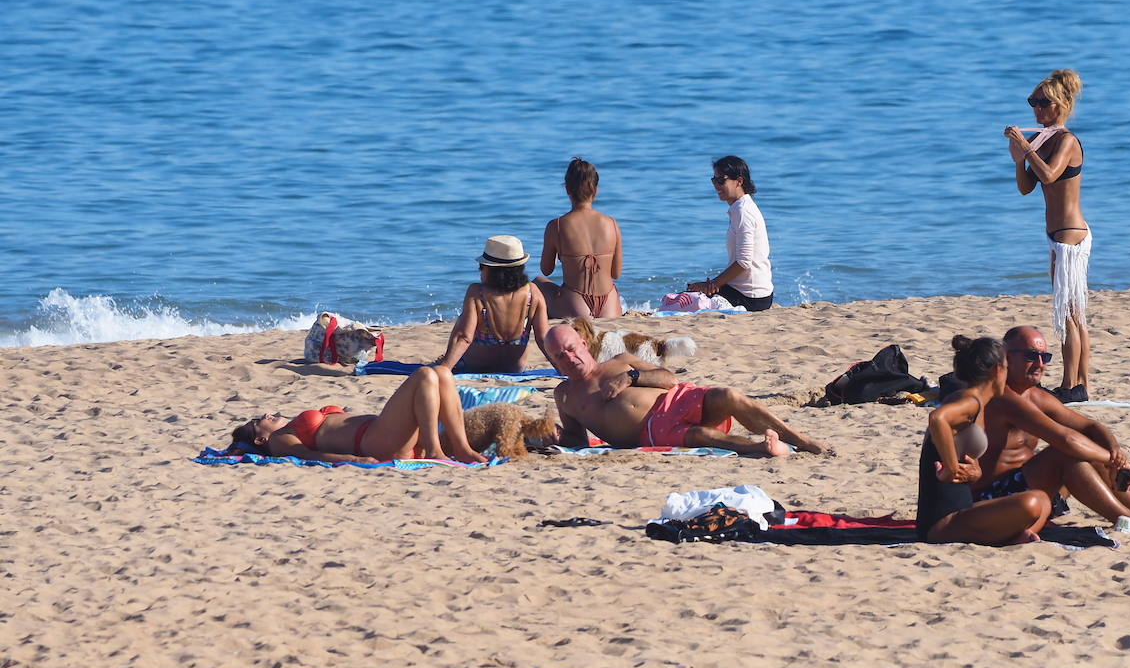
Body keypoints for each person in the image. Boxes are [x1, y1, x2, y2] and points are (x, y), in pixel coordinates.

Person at [979, 326, 1130, 532]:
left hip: (1027, 489)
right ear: (1006, 357)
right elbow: (1066, 440)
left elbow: (1092, 426)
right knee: (1066, 453)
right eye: (1031, 356)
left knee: (1090, 443)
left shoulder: (1036, 396)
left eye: (1045, 357)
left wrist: (1115, 451)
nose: (1040, 364)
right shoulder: (1002, 397)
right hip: (991, 500)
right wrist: (1112, 460)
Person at [543, 324, 827, 457]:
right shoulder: (565, 395)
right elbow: (576, 441)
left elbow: (668, 379)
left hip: (674, 399)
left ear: (582, 342)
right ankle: (760, 448)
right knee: (701, 436)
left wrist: (631, 377)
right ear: (554, 362)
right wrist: (552, 437)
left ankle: (800, 439)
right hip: (650, 431)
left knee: (729, 396)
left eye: (570, 348)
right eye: (559, 356)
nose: (569, 358)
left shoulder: (619, 362)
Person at [1003, 69, 1091, 402]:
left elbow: (1051, 176)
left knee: (1068, 313)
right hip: (1057, 235)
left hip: (1071, 234)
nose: (1036, 110)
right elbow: (1028, 187)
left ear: (1061, 105)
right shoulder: (1045, 139)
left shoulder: (1066, 140)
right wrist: (1018, 159)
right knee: (1074, 313)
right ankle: (1080, 384)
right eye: (1033, 102)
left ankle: (1072, 386)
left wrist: (1025, 146)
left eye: (1043, 103)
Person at [916, 336, 1052, 545]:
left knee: (1043, 499)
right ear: (997, 371)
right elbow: (937, 418)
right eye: (1006, 368)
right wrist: (951, 468)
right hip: (941, 523)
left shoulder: (979, 404)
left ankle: (1015, 538)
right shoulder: (968, 400)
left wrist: (976, 472)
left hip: (963, 511)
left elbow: (969, 454)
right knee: (1031, 502)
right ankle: (1011, 537)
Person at [229, 365, 485, 464]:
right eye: (256, 422)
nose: (264, 414)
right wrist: (353, 459)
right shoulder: (279, 440)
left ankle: (460, 448)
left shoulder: (290, 426)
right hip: (375, 442)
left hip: (388, 436)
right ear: (259, 440)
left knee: (442, 372)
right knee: (424, 375)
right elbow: (311, 456)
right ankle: (433, 450)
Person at [437, 236, 551, 373]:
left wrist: (445, 368)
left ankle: (446, 362)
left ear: (490, 269)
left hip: (477, 367)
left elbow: (465, 337)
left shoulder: (477, 293)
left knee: (463, 319)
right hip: (513, 368)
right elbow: (543, 338)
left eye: (482, 268)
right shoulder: (533, 293)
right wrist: (561, 369)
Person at [535, 157, 624, 319]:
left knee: (537, 283)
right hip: (609, 307)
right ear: (595, 191)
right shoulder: (611, 223)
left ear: (567, 190)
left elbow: (546, 270)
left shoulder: (557, 226)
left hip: (575, 306)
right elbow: (616, 273)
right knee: (611, 286)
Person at [686, 155, 773, 311]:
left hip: (751, 297)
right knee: (689, 293)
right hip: (749, 292)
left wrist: (712, 285)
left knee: (683, 300)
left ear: (739, 181)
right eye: (714, 181)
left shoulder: (743, 211)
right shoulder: (741, 207)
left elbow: (743, 262)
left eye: (721, 181)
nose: (716, 186)